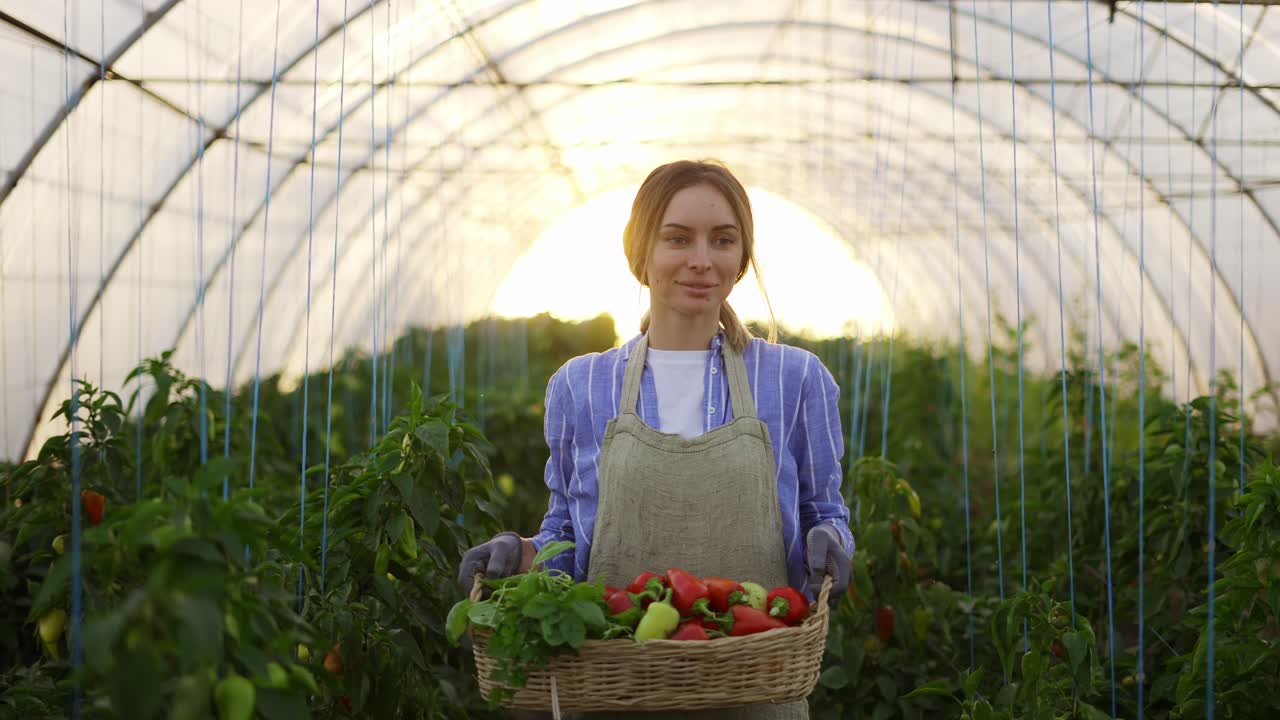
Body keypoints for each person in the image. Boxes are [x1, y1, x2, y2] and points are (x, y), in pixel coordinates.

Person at [458, 159, 853, 719]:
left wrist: (832, 545)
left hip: (756, 686)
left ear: (741, 258)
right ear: (640, 252)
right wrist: (520, 553)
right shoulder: (581, 385)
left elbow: (824, 511)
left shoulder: (796, 379)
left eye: (722, 240)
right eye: (677, 239)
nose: (701, 260)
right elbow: (568, 534)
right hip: (613, 689)